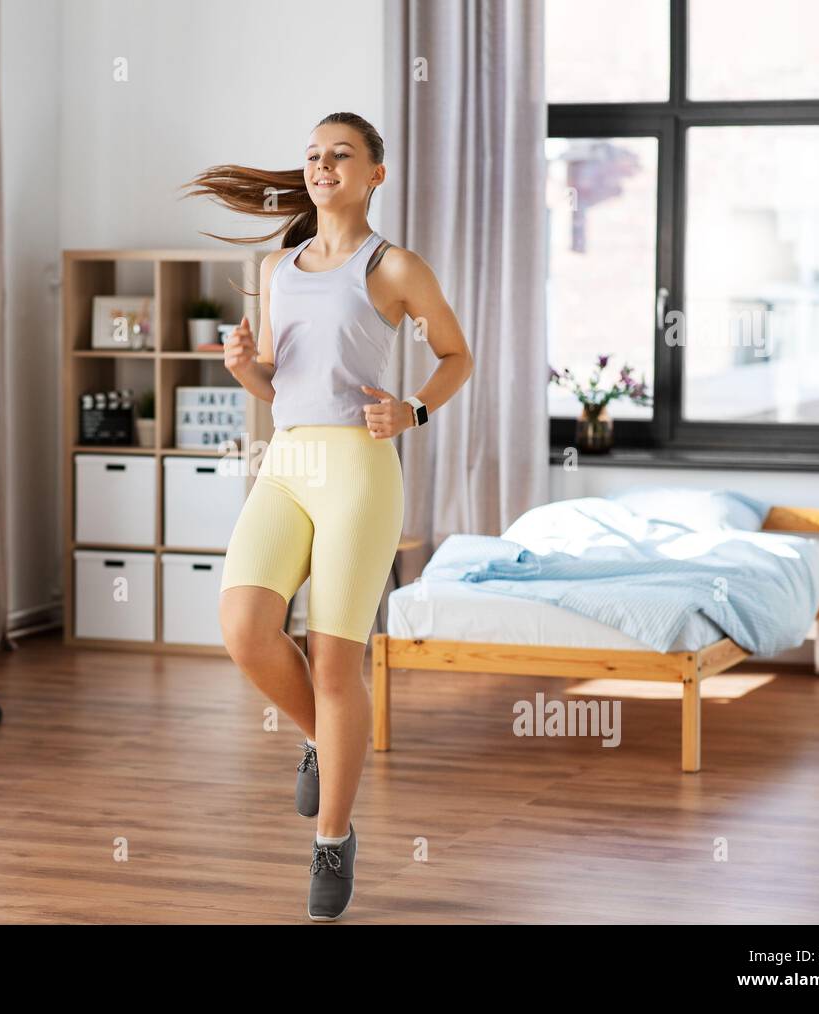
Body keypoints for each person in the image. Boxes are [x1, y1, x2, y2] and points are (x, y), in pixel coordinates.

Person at [182, 112, 473, 920]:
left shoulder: (395, 266)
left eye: (340, 155)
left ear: (375, 173)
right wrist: (246, 367)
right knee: (244, 627)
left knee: (337, 664)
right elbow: (281, 385)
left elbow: (459, 355)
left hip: (358, 471)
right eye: (312, 156)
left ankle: (333, 839)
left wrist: (411, 411)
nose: (321, 166)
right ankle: (322, 740)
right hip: (288, 461)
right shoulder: (277, 267)